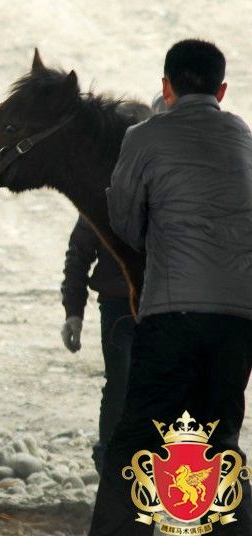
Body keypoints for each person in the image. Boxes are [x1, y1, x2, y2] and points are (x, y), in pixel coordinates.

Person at [89, 39, 252, 535]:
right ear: (222, 91)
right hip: (239, 321)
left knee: (136, 441)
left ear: (166, 86)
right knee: (217, 442)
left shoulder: (145, 135)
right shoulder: (245, 139)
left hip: (174, 313)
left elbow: (124, 222)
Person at [60, 215, 134, 476]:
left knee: (155, 386)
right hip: (120, 305)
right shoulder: (105, 182)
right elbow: (79, 251)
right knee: (119, 384)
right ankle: (110, 469)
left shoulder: (177, 181)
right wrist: (73, 312)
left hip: (166, 304)